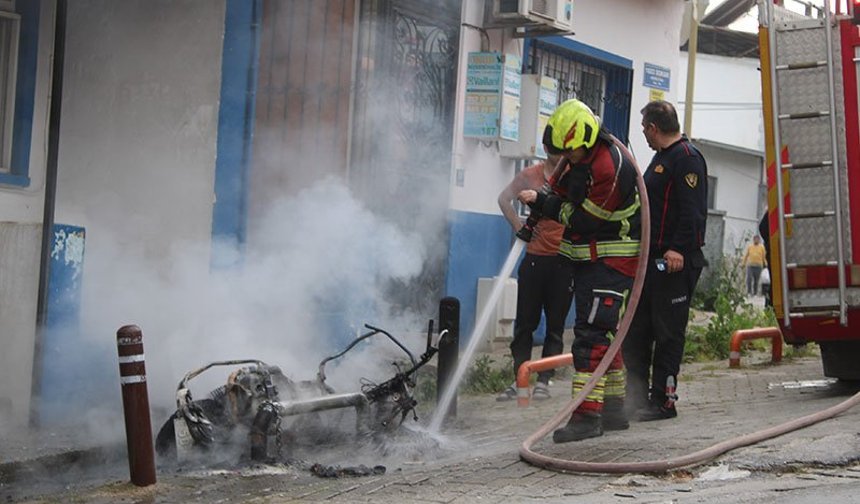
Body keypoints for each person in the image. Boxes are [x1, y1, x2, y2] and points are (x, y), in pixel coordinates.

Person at [518, 99, 641, 442]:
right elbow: (563, 190)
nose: (563, 161)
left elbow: (585, 219)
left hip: (611, 262)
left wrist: (545, 205)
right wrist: (544, 200)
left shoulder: (609, 167)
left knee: (589, 339)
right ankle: (614, 410)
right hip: (592, 262)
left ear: (582, 143)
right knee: (606, 338)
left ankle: (587, 418)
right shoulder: (583, 157)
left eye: (566, 154)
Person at [623, 100, 708, 422]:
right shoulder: (661, 159)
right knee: (638, 331)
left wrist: (679, 249)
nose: (644, 135)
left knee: (668, 333)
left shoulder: (686, 159)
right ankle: (637, 397)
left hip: (673, 262)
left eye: (645, 128)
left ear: (654, 128)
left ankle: (664, 400)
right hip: (651, 260)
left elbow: (692, 211)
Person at [496, 152, 575, 402]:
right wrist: (519, 227)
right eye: (552, 148)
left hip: (563, 260)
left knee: (555, 326)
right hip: (533, 258)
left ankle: (544, 379)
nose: (557, 154)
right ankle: (520, 377)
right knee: (525, 324)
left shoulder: (574, 176)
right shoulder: (530, 175)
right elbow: (503, 199)